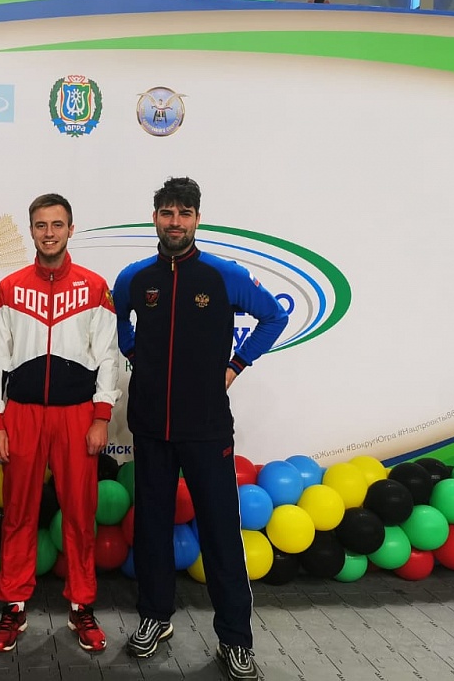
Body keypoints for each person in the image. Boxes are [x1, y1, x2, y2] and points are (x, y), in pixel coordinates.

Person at [112, 177, 288, 681]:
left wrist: (236, 365)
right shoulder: (134, 277)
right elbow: (116, 322)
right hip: (150, 425)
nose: (175, 222)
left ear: (197, 219)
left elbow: (273, 317)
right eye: (167, 213)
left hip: (207, 427)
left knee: (220, 533)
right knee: (151, 528)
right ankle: (155, 617)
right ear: (155, 218)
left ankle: (235, 639)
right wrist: (136, 356)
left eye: (184, 213)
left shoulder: (222, 275)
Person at [0, 193, 120, 654]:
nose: (49, 233)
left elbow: (108, 358)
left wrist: (101, 417)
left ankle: (82, 605)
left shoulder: (95, 287)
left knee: (79, 513)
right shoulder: (11, 287)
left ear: (70, 229)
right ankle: (14, 606)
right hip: (21, 414)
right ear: (32, 231)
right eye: (41, 225)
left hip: (77, 415)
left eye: (57, 225)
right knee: (18, 512)